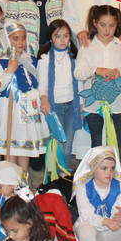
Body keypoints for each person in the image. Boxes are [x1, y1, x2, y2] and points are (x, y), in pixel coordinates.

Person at [75, 5, 121, 164]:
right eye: (103, 25)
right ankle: (96, 174)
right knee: (96, 140)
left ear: (117, 25)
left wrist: (119, 71)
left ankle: (118, 175)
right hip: (94, 103)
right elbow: (78, 73)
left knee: (117, 140)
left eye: (112, 25)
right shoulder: (87, 45)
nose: (107, 30)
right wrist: (96, 70)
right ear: (95, 23)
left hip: (119, 103)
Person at [0, 21, 46, 171]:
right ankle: (10, 182)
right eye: (15, 39)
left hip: (29, 110)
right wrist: (9, 70)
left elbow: (40, 83)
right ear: (7, 39)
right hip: (11, 110)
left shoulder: (32, 60)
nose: (20, 42)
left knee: (24, 149)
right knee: (11, 147)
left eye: (23, 38)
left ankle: (23, 182)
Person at [72, 146, 121, 241]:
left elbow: (116, 214)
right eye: (104, 168)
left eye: (112, 168)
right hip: (94, 232)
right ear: (93, 169)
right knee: (84, 229)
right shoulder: (83, 188)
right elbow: (86, 215)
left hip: (113, 230)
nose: (109, 172)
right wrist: (105, 222)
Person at [37, 19, 82, 169]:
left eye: (66, 36)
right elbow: (42, 84)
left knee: (67, 144)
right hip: (54, 106)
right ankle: (58, 174)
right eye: (58, 36)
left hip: (71, 106)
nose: (62, 40)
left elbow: (79, 83)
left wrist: (80, 107)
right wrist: (44, 99)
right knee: (59, 143)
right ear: (51, 38)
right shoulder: (45, 59)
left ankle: (64, 175)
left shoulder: (74, 58)